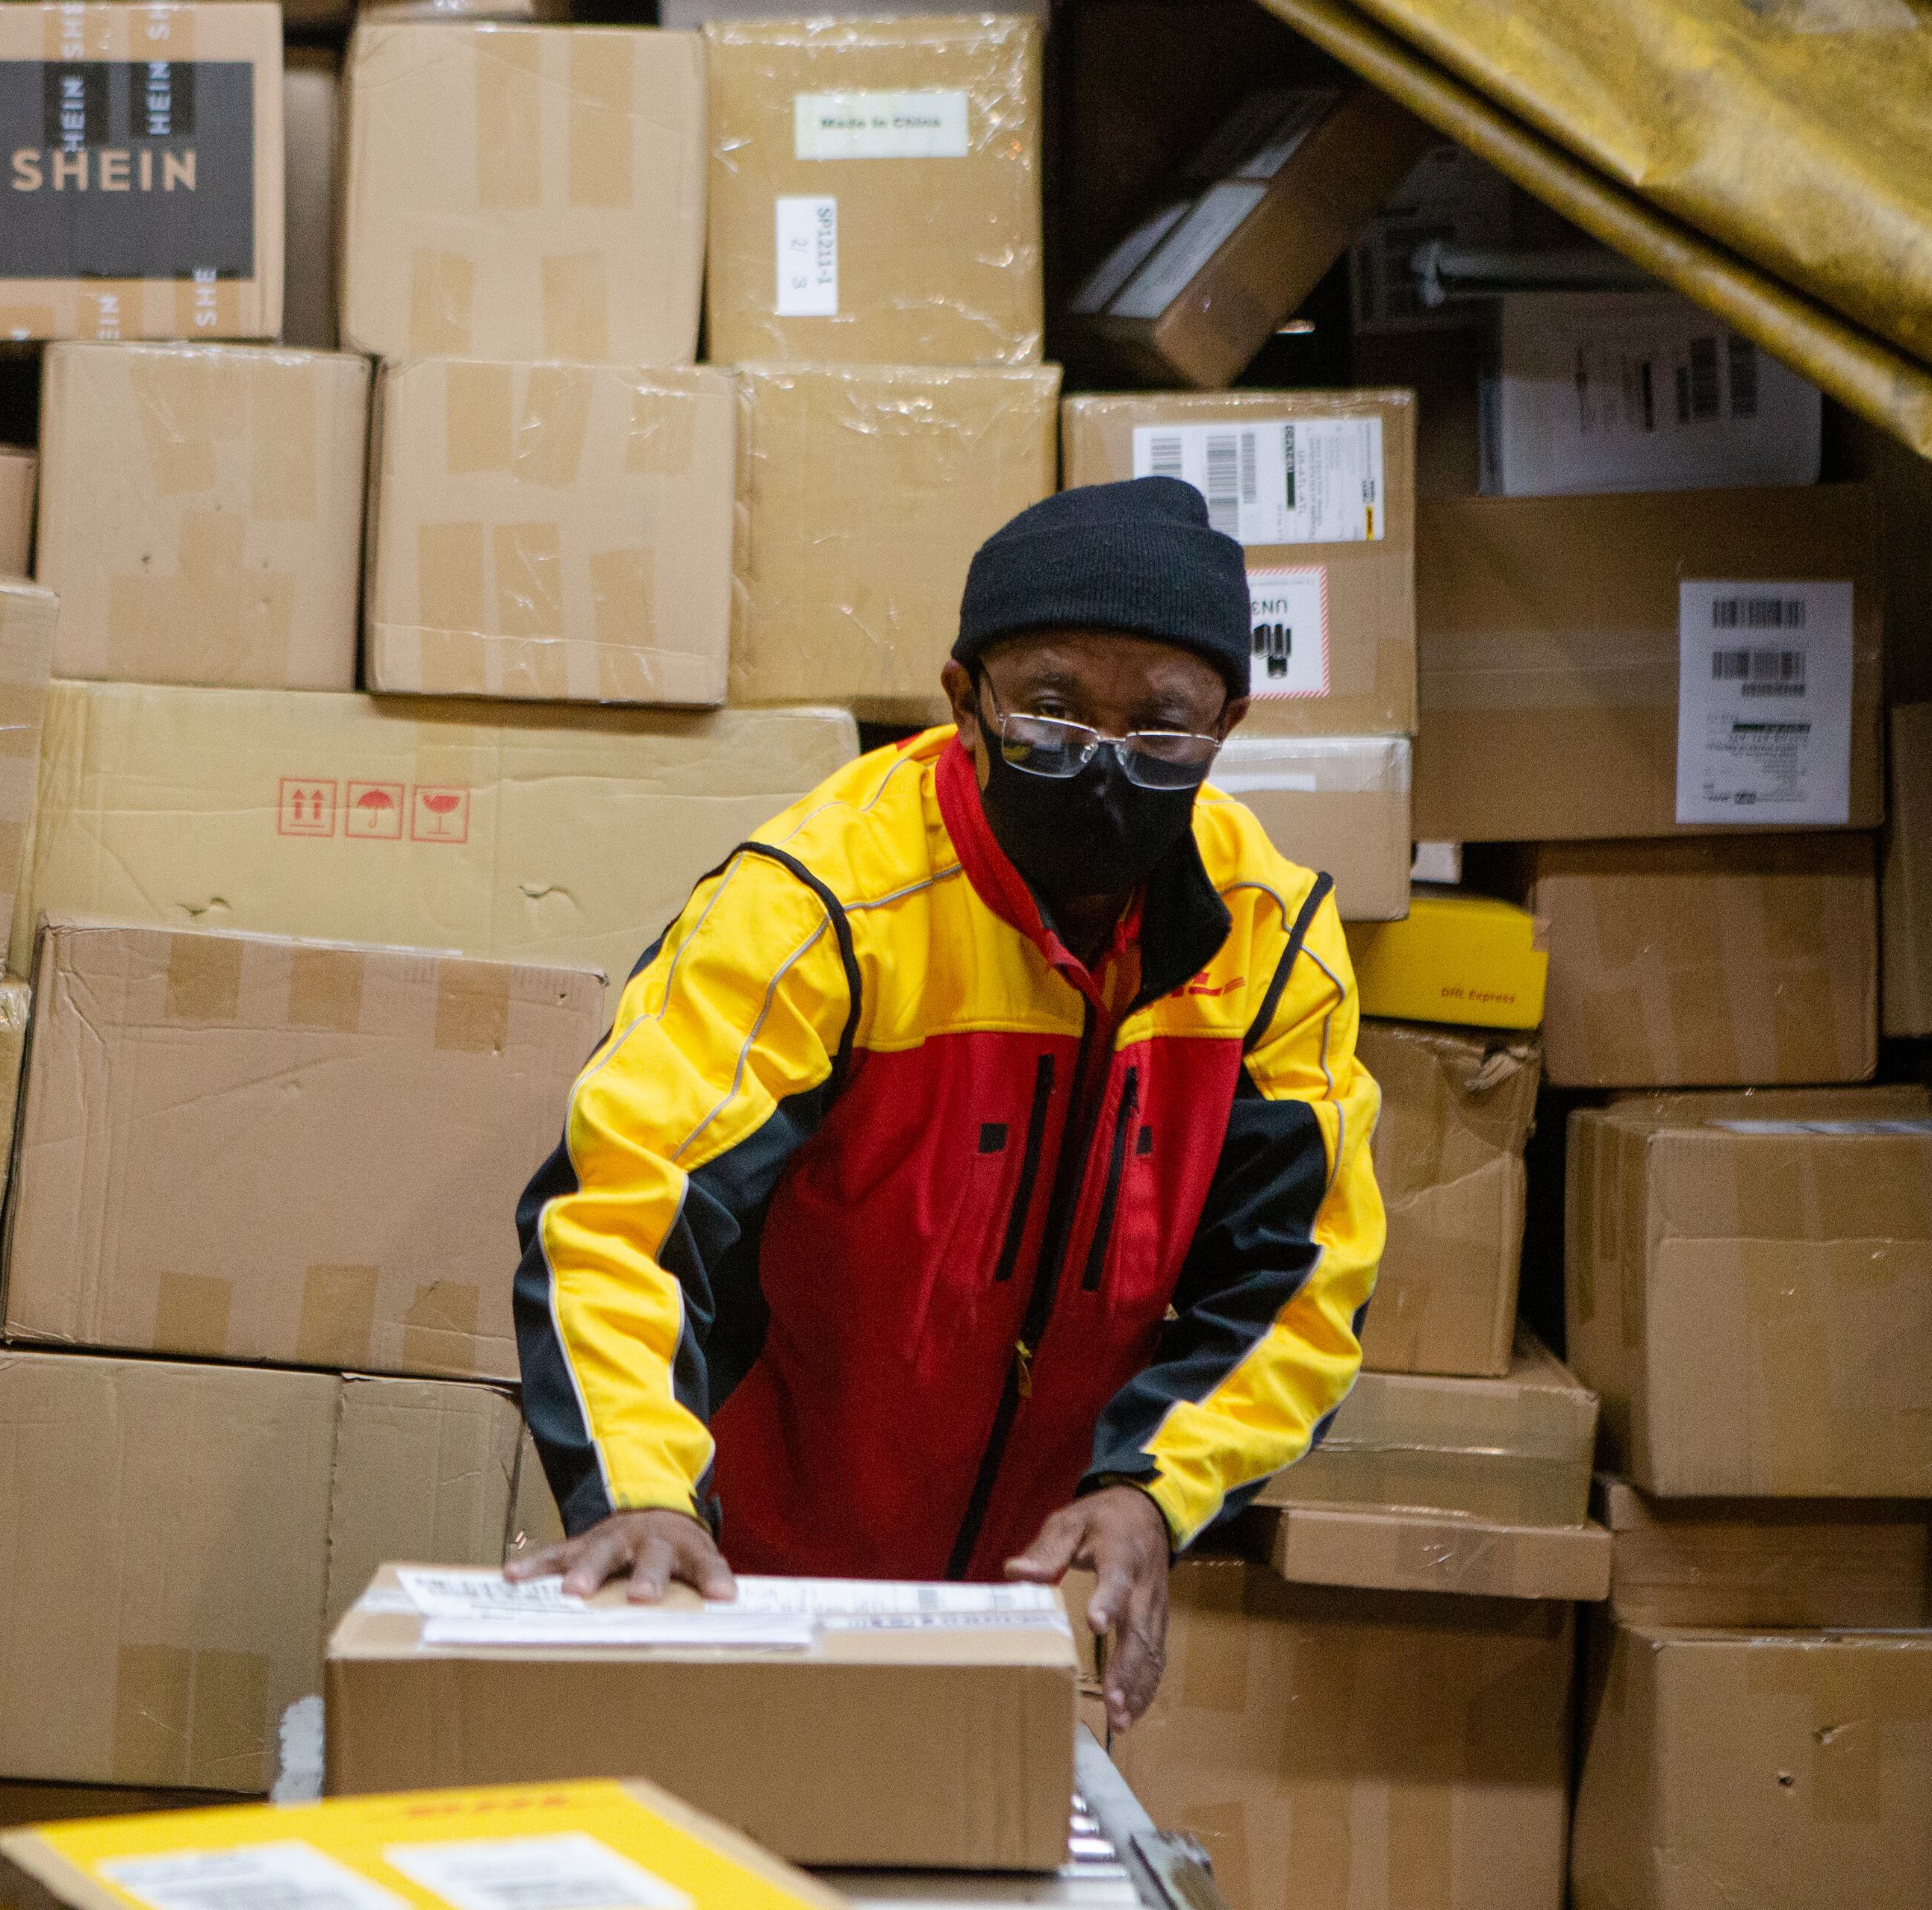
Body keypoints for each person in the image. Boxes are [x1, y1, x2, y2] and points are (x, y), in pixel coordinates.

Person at [506, 476, 1383, 1731]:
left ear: (1228, 727)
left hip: (1017, 1616)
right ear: (962, 701)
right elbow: (618, 1213)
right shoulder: (821, 906)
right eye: (1053, 709)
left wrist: (1153, 1489)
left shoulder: (1274, 948)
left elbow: (1298, 1284)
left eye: (1160, 730)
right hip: (749, 1568)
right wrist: (638, 1493)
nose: (1100, 766)